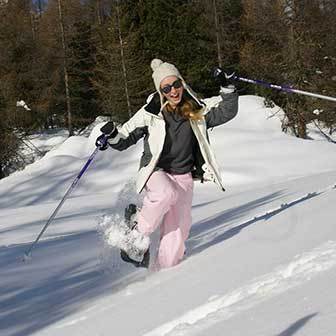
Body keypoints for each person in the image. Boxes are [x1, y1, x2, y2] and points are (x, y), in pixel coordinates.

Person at [96, 59, 238, 269]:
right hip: (156, 171)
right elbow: (124, 137)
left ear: (182, 83)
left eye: (176, 84)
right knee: (165, 194)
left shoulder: (196, 110)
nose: (173, 91)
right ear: (160, 90)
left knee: (178, 234)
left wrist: (228, 87)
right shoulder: (150, 113)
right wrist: (112, 135)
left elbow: (226, 112)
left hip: (183, 176)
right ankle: (135, 233)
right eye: (167, 87)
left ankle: (163, 277)